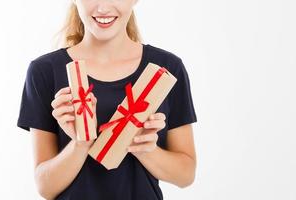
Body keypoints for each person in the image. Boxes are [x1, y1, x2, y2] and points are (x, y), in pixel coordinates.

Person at [17, 0, 198, 199]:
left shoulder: (166, 68)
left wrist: (144, 147)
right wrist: (80, 144)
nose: (103, 8)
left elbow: (186, 175)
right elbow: (45, 187)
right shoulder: (45, 71)